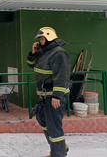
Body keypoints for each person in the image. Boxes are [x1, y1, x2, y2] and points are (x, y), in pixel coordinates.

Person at [26, 27, 70, 157]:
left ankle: (58, 153)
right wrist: (33, 53)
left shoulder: (59, 53)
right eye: (39, 39)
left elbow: (62, 76)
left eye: (42, 38)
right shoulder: (43, 52)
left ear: (49, 37)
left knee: (54, 126)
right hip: (44, 96)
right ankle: (60, 147)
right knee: (42, 120)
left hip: (54, 97)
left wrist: (57, 96)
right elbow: (31, 64)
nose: (40, 41)